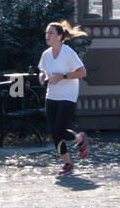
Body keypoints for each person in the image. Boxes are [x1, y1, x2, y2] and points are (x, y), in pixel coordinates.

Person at [38, 21, 89, 174]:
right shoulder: (46, 54)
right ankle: (67, 163)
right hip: (52, 95)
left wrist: (64, 76)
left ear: (60, 36)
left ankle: (79, 137)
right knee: (54, 132)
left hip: (68, 95)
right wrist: (42, 77)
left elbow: (82, 72)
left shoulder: (68, 52)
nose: (47, 36)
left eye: (51, 33)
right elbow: (43, 71)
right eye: (46, 33)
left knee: (59, 128)